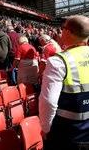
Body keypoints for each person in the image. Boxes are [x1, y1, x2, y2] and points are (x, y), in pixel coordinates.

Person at [39, 15, 89, 150]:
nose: (61, 32)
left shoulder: (58, 61)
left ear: (68, 32)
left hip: (68, 136)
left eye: (63, 28)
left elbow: (48, 101)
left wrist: (46, 128)